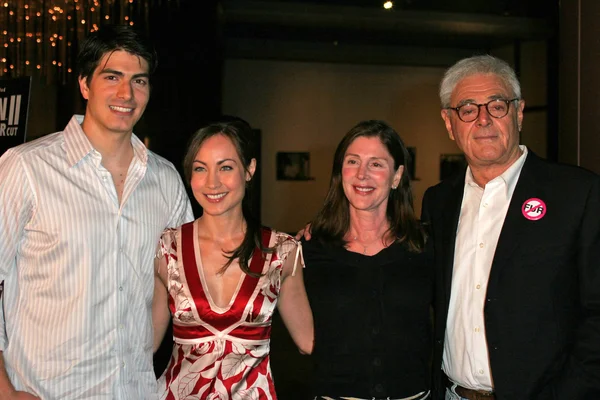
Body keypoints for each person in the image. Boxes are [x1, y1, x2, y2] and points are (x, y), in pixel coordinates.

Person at [0, 25, 193, 399]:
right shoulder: (26, 168)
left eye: (139, 80)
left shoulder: (165, 180)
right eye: (112, 77)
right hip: (46, 391)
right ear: (85, 85)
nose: (127, 93)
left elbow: (185, 277)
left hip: (134, 390)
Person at [421, 55, 600, 400]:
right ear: (449, 122)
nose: (483, 119)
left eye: (498, 106)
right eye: (468, 109)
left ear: (519, 112)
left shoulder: (578, 194)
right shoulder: (438, 202)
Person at [152, 120, 313, 399]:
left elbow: (309, 342)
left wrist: (334, 247)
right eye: (200, 168)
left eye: (225, 167)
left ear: (249, 169)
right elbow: (145, 344)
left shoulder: (282, 252)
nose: (212, 182)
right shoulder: (167, 248)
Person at [302, 120, 433, 400]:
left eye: (376, 164)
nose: (362, 174)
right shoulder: (309, 249)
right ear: (340, 171)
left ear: (397, 176)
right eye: (353, 161)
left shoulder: (425, 246)